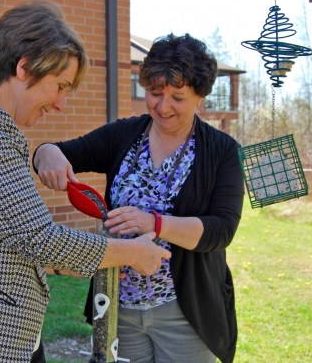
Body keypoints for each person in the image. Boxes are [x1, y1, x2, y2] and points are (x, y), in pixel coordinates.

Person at [0, 1, 170, 363]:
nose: (60, 104)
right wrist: (133, 253)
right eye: (59, 86)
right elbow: (37, 238)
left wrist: (56, 264)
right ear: (23, 67)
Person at [33, 33, 244, 363]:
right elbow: (59, 151)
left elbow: (221, 230)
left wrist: (155, 223)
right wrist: (46, 154)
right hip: (120, 308)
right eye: (155, 93)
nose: (162, 106)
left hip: (185, 313)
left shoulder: (222, 151)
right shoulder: (125, 135)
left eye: (177, 97)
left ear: (200, 96)